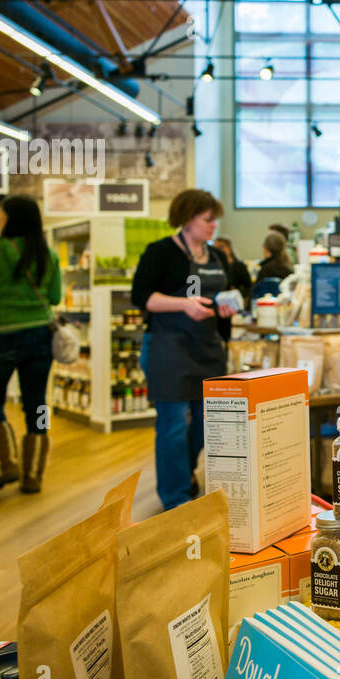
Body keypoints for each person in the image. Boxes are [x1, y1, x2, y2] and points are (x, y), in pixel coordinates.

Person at [131, 189, 237, 511]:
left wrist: (224, 309)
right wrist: (183, 305)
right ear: (188, 219)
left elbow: (217, 295)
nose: (213, 226)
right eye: (207, 220)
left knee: (209, 419)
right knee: (173, 425)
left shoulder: (215, 256)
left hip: (206, 348)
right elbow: (142, 296)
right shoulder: (161, 252)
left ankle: (184, 469)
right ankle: (176, 500)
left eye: (215, 219)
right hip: (169, 348)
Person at [0, 195, 60, 494]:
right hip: (39, 336)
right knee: (37, 402)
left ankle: (7, 465)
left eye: (1, 214)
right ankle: (33, 475)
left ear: (11, 218)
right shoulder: (48, 255)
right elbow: (54, 298)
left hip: (0, 336)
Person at [213, 236, 253, 309]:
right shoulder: (215, 267)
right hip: (219, 302)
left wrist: (243, 297)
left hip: (235, 301)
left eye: (221, 247)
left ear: (229, 248)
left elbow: (248, 285)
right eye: (215, 248)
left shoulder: (239, 265)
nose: (218, 251)